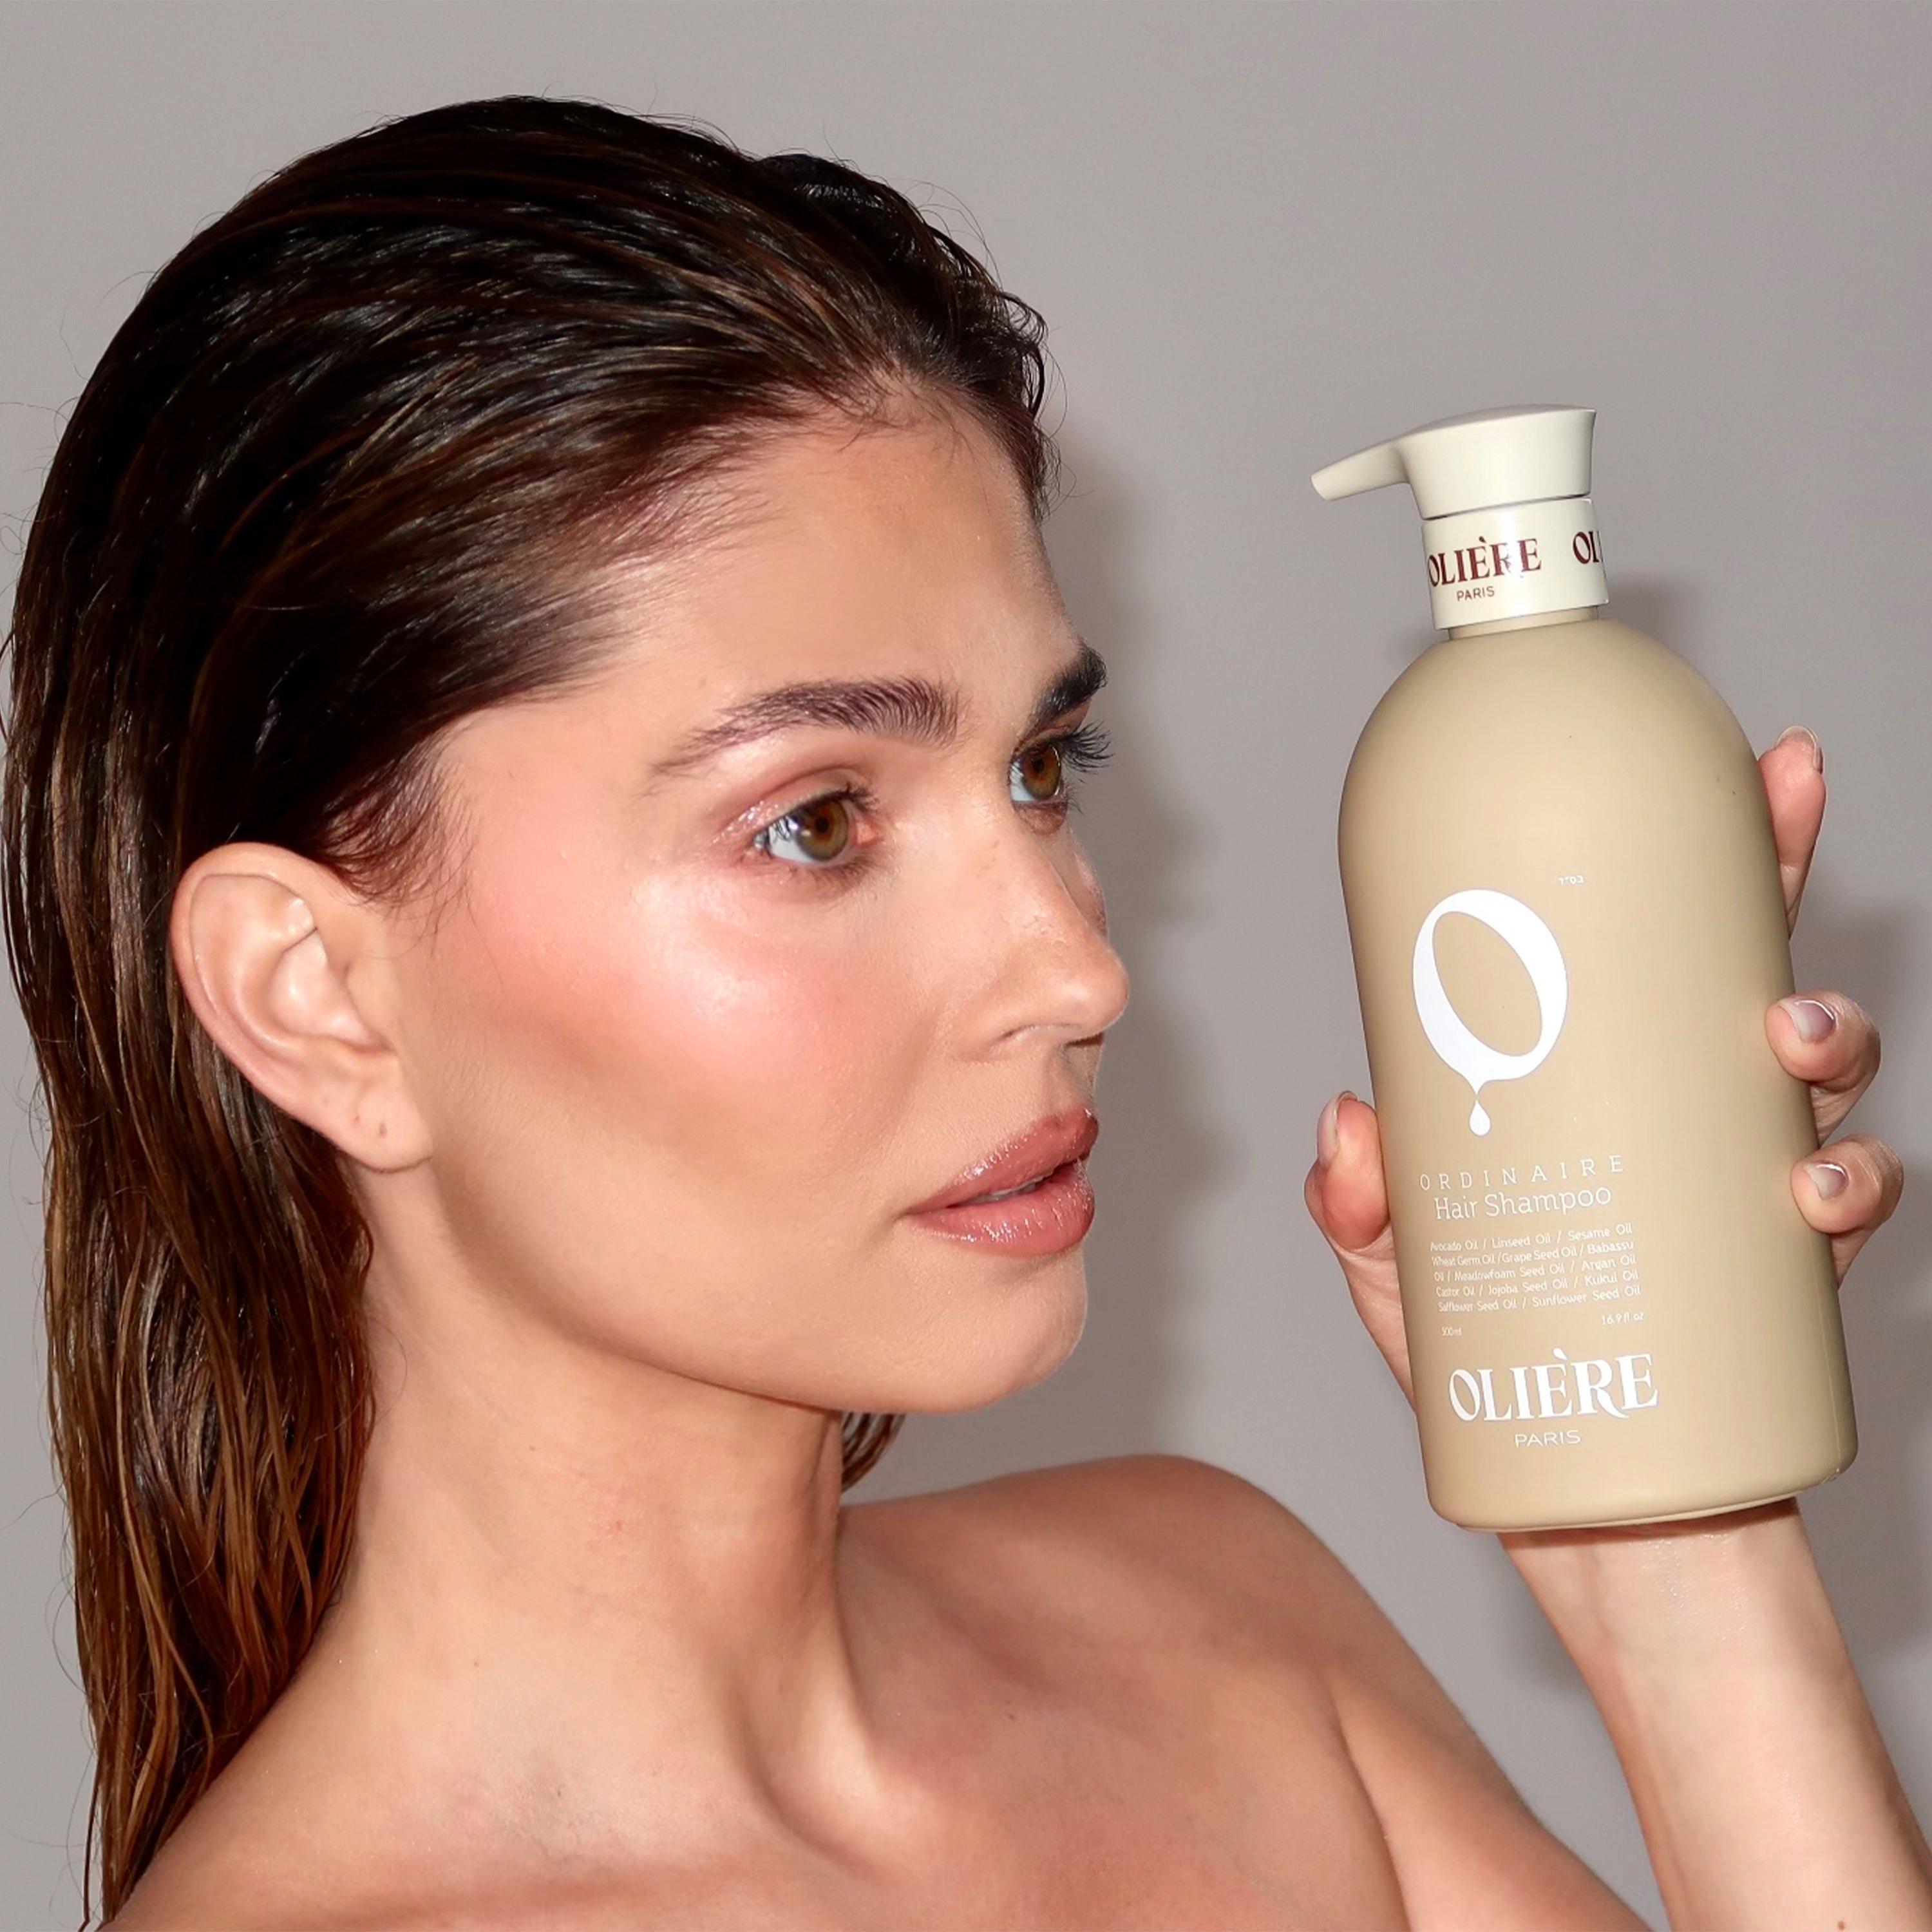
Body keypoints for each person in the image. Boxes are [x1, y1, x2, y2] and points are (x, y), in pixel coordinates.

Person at [2, 93, 1922, 1932]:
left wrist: (1664, 1516)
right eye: (817, 823)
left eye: (1039, 767)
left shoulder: (1219, 1620)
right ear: (318, 1000)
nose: (1081, 970)